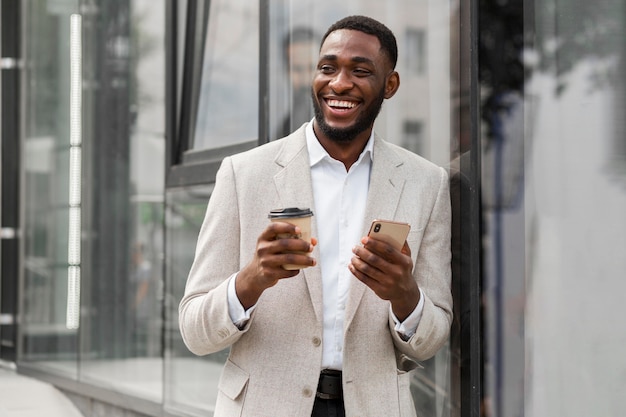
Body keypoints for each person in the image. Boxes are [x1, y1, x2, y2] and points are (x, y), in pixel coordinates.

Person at [179, 15, 453, 417]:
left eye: (360, 71)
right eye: (327, 68)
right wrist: (251, 281)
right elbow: (194, 331)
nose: (339, 83)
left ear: (389, 85)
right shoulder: (244, 174)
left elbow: (431, 339)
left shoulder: (426, 183)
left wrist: (404, 295)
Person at [277, 26, 319, 138]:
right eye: (297, 69)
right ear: (286, 71)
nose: (305, 80)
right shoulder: (286, 127)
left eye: (311, 67)